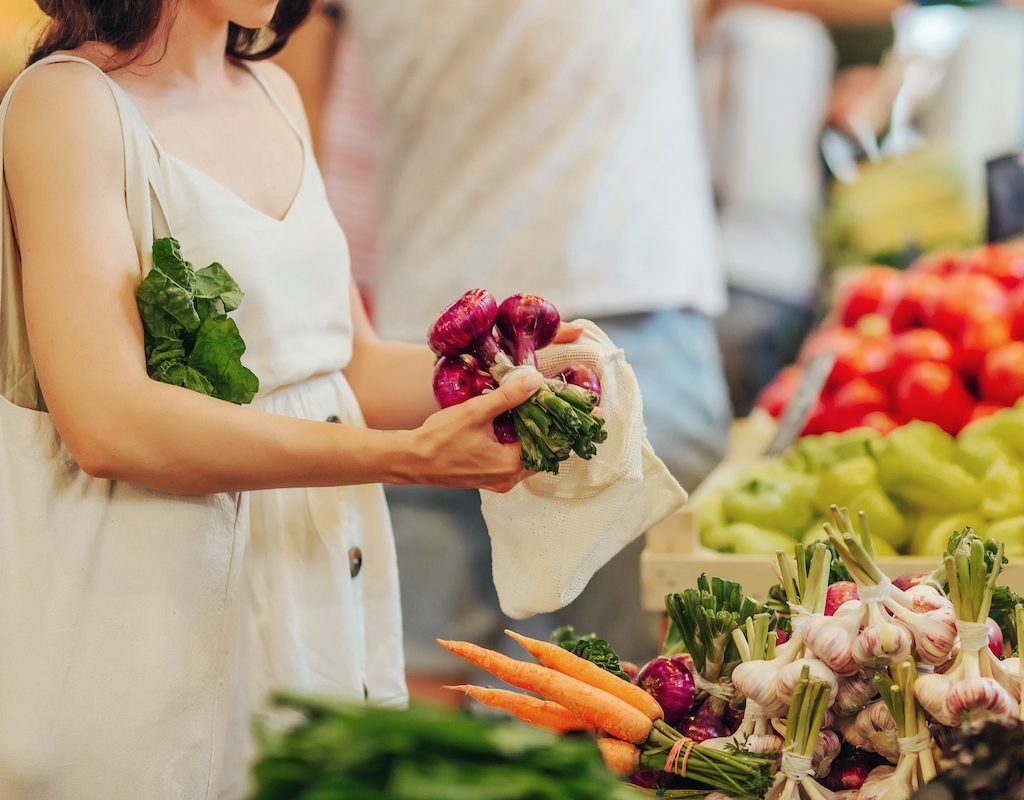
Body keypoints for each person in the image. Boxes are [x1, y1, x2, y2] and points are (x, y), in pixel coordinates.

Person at [0, 1, 584, 796]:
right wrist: (405, 461)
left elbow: (344, 366)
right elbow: (108, 422)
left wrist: (520, 373)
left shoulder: (273, 91)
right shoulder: (66, 104)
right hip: (155, 602)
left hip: (317, 582)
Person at [279, 0, 732, 693]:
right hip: (424, 352)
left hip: (629, 316)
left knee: (649, 696)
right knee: (419, 686)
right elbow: (287, 121)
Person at [698, 0, 901, 414]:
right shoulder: (764, 34)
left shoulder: (784, 37)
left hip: (764, 270)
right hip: (746, 270)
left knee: (749, 434)